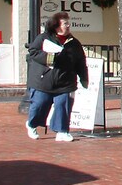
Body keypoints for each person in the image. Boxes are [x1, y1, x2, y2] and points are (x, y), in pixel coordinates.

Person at [24, 12, 86, 141]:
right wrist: (49, 57)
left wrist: (84, 78)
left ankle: (62, 131)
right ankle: (32, 124)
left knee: (63, 105)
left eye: (69, 23)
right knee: (40, 104)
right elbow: (33, 52)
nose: (68, 26)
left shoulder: (74, 43)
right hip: (43, 81)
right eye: (65, 23)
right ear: (56, 25)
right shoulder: (43, 38)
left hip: (65, 82)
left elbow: (80, 61)